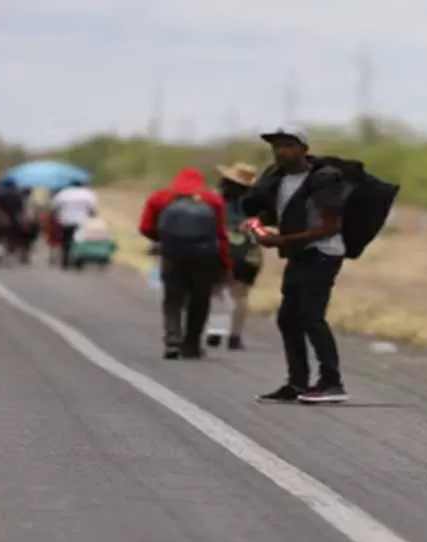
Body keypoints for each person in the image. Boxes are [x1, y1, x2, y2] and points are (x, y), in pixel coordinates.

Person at [240, 126, 351, 404]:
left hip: (324, 252)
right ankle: (297, 382)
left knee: (311, 316)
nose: (281, 151)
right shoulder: (276, 179)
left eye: (289, 144)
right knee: (288, 318)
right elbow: (272, 211)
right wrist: (258, 225)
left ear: (304, 149)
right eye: (276, 146)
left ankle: (331, 382)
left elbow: (329, 227)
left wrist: (281, 241)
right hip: (299, 253)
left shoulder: (325, 179)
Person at [139, 167, 232, 359]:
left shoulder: (160, 198)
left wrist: (163, 239)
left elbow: (145, 227)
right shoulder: (212, 200)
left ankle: (172, 340)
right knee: (199, 300)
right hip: (205, 257)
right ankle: (191, 345)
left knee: (173, 298)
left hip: (172, 255)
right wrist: (225, 262)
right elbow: (221, 234)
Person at [205, 162, 263, 351]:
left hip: (223, 248)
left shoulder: (217, 200)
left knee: (218, 290)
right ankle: (235, 337)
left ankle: (216, 329)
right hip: (249, 252)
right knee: (241, 295)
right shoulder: (258, 205)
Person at [51, 179, 99, 270]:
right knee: (80, 240)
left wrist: (57, 215)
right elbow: (93, 209)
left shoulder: (63, 193)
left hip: (66, 221)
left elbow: (54, 207)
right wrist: (92, 216)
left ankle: (65, 260)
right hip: (82, 222)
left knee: (66, 240)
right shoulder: (87, 194)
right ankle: (79, 262)